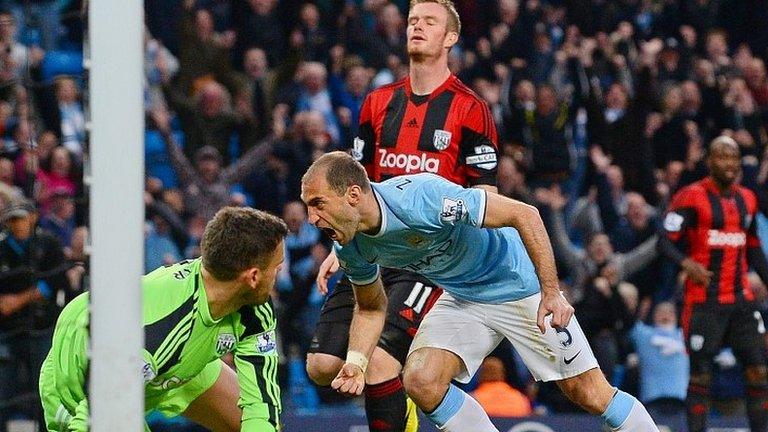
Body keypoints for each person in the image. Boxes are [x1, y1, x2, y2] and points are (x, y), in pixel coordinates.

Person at [301, 152, 658, 432]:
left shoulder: (421, 199)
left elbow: (526, 215)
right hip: (460, 294)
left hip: (518, 287)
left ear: (352, 194)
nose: (312, 218)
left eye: (318, 203)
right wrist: (356, 362)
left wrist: (551, 292)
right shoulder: (351, 246)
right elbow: (369, 308)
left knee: (590, 393)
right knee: (421, 380)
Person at [306, 1, 499, 431]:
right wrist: (343, 244)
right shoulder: (377, 103)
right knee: (321, 365)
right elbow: (355, 189)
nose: (417, 27)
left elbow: (487, 195)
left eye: (430, 22)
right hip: (374, 249)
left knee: (376, 359)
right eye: (413, 20)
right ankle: (399, 405)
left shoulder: (470, 109)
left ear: (450, 38)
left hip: (429, 258)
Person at [39, 207, 289, 432]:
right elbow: (99, 410)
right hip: (87, 376)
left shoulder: (255, 308)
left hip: (183, 360)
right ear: (253, 276)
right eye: (276, 268)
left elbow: (261, 407)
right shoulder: (158, 329)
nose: (278, 275)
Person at [659, 135, 768, 432]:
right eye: (721, 156)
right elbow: (664, 241)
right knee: (700, 377)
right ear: (709, 162)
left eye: (733, 157)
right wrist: (685, 263)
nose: (729, 163)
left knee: (759, 370)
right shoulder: (690, 196)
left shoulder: (748, 198)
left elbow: (754, 247)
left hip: (741, 299)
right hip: (704, 301)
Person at [0, 199, 72, 430]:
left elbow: (56, 280)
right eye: (13, 220)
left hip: (41, 327)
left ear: (32, 218)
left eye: (21, 218)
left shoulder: (48, 244)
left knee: (44, 388)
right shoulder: (2, 247)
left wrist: (17, 301)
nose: (18, 224)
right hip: (6, 329)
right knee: (3, 390)